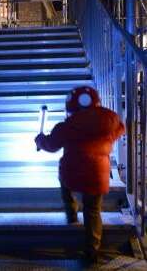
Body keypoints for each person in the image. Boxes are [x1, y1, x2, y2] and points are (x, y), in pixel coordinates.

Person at [34, 86, 125, 263]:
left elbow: (51, 145)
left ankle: (72, 214)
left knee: (64, 182)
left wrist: (39, 140)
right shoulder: (109, 120)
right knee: (93, 210)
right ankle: (92, 251)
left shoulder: (67, 126)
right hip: (98, 175)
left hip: (72, 173)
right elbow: (119, 129)